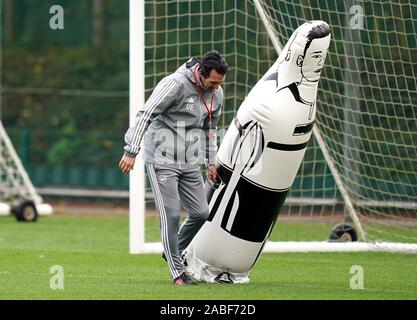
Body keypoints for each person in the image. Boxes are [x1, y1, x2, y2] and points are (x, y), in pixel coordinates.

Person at [119, 50, 229, 285]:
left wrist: (211, 161)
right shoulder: (174, 84)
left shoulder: (216, 93)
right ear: (201, 73)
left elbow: (209, 128)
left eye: (220, 83)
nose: (216, 87)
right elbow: (145, 114)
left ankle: (171, 249)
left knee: (201, 213)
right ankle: (178, 273)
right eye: (213, 82)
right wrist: (131, 151)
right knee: (170, 215)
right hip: (161, 159)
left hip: (188, 160)